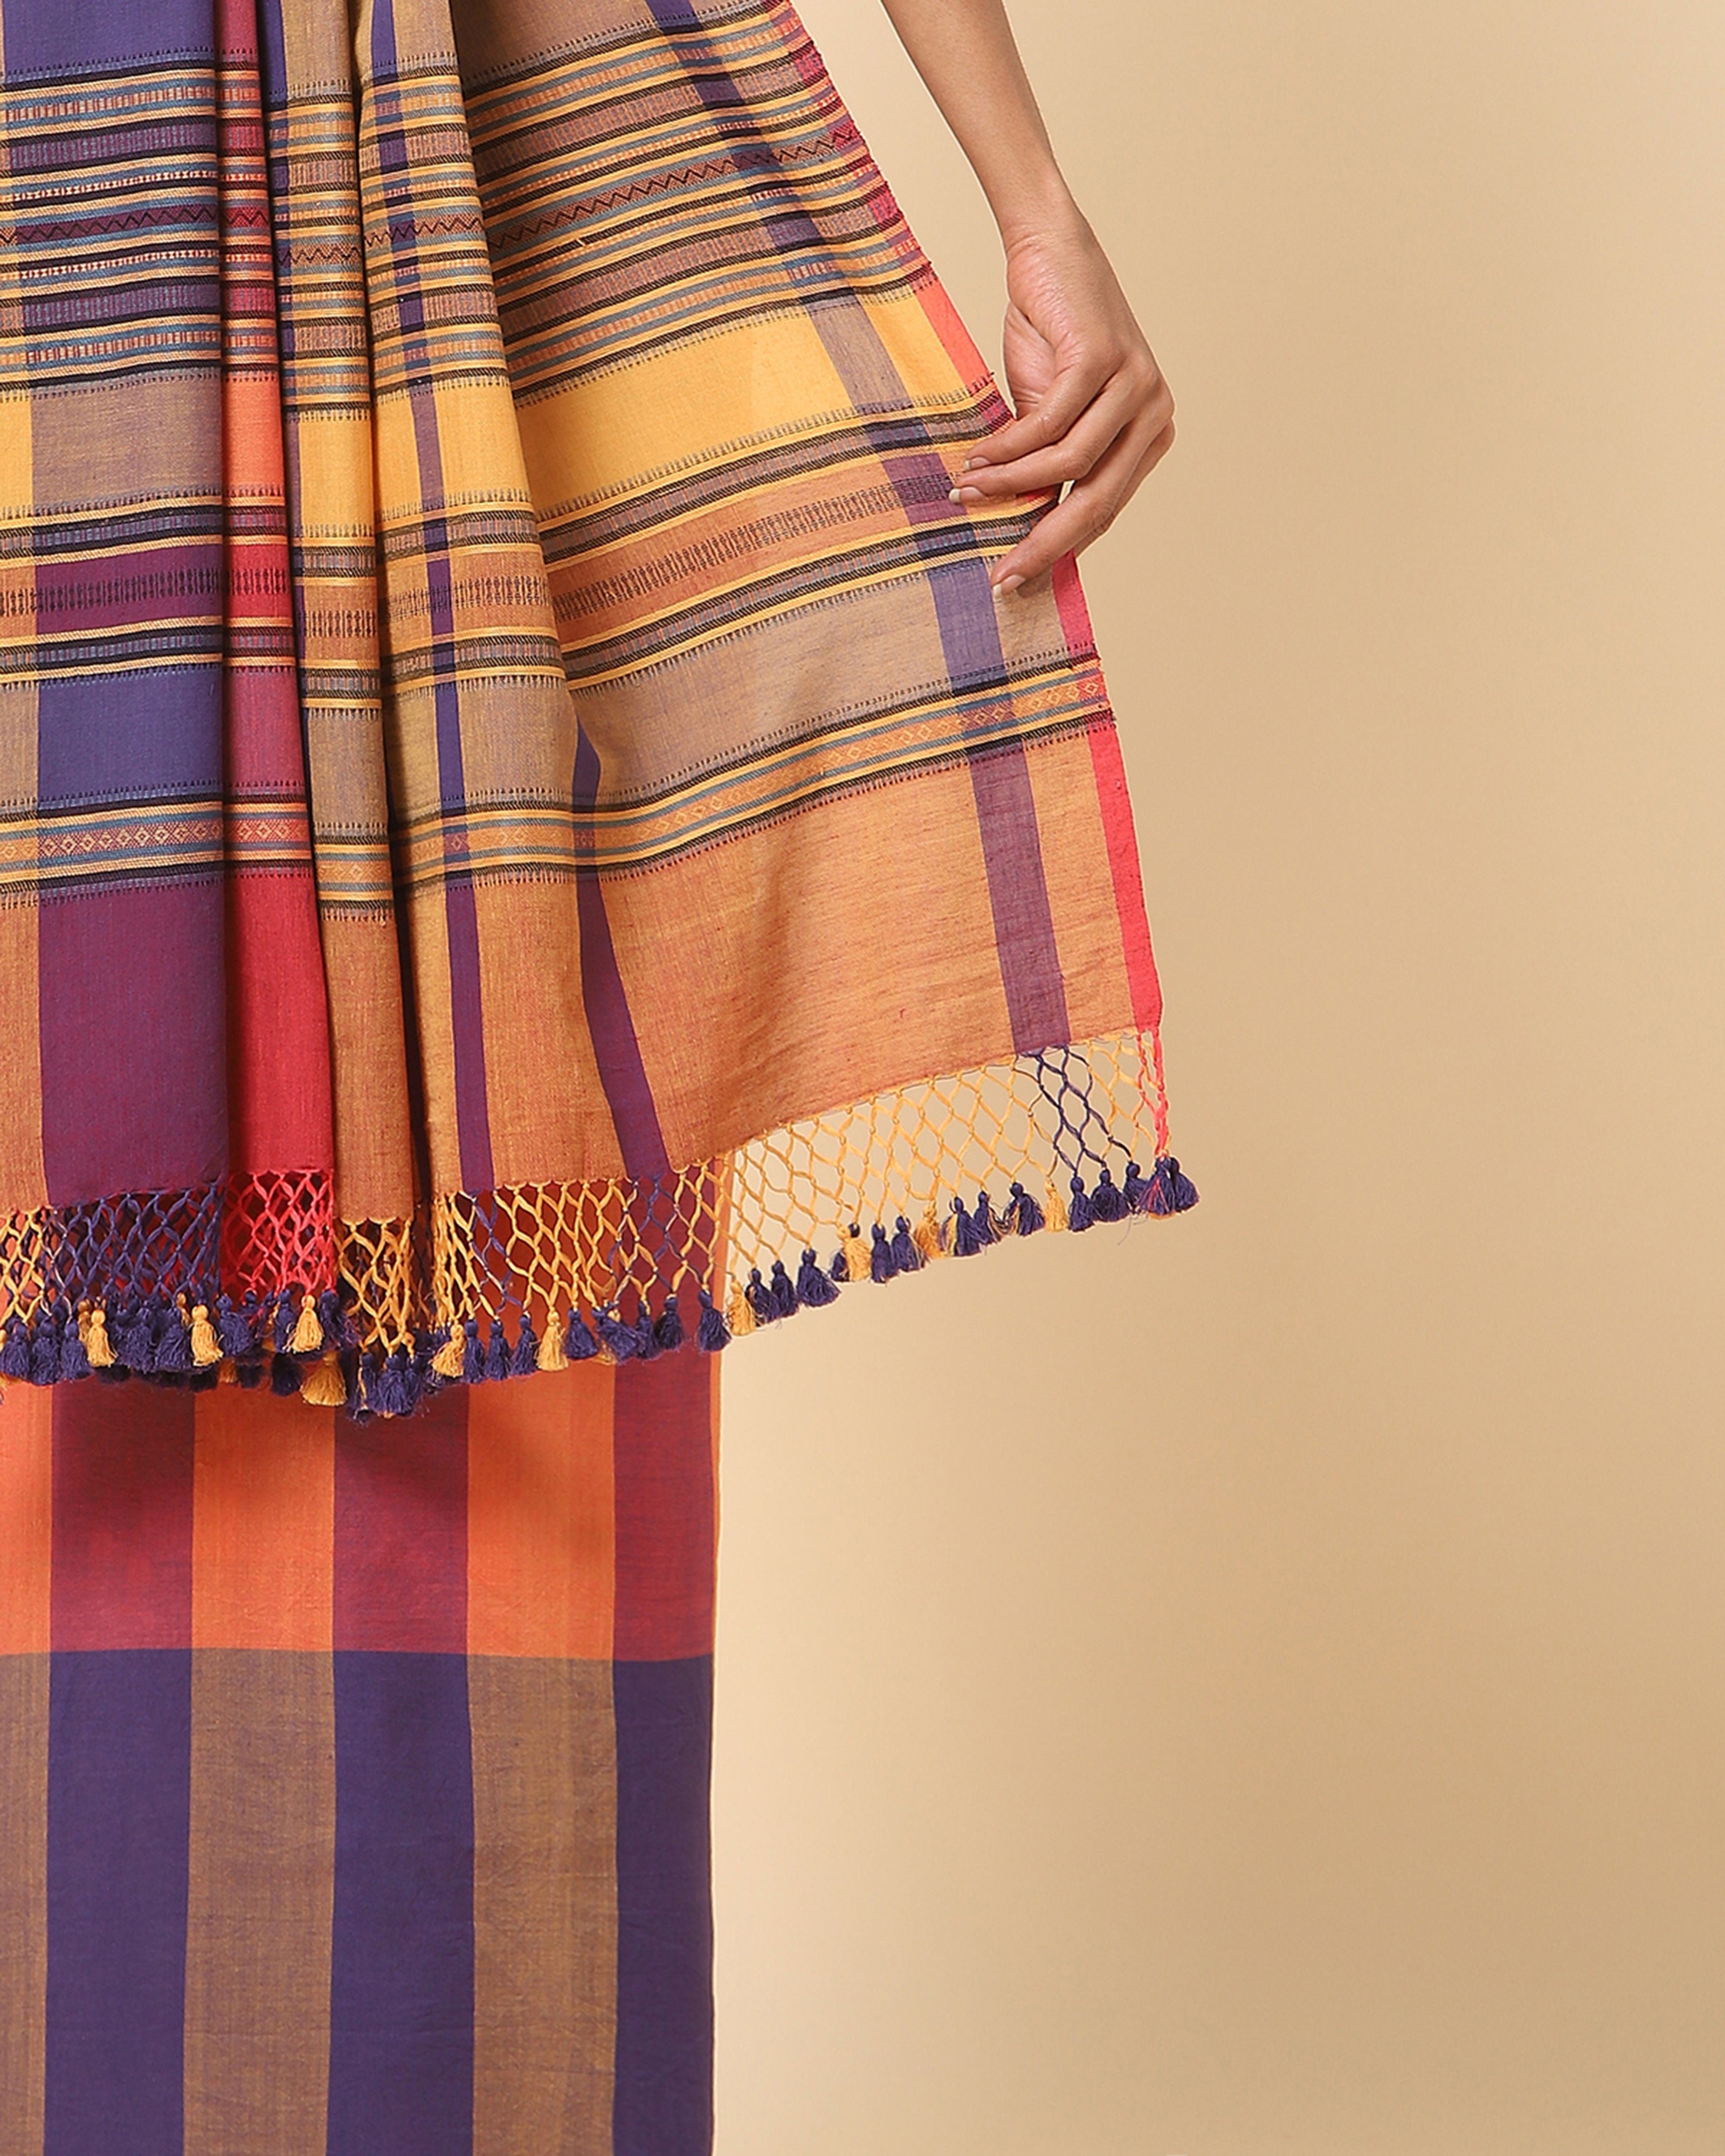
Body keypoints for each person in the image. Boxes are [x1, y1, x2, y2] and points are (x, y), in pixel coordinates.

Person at [0, 0, 1191, 2148]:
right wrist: (1031, 209)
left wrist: (1037, 207)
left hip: (401, 213)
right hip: (230, 216)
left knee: (497, 1166)